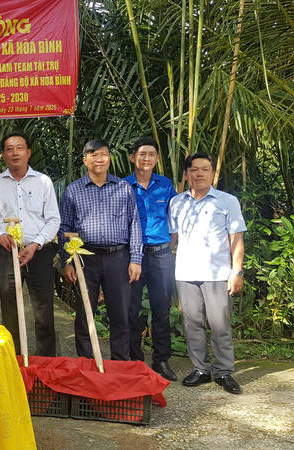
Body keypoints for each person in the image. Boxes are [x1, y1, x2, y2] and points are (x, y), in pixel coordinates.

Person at [58, 139, 142, 361]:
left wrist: (136, 259)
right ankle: (86, 363)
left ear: (110, 158)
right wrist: (67, 261)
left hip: (118, 257)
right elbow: (64, 227)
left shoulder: (123, 188)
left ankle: (120, 364)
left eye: (103, 154)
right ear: (85, 160)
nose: (99, 159)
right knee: (85, 313)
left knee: (120, 313)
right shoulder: (73, 190)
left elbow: (134, 224)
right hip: (85, 258)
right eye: (93, 155)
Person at [169, 153, 246, 394]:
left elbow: (236, 239)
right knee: (192, 324)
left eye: (205, 169)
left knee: (220, 324)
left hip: (217, 273)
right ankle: (201, 369)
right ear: (186, 174)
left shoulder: (227, 201)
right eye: (194, 169)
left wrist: (237, 271)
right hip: (186, 273)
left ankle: (223, 371)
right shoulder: (177, 202)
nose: (199, 174)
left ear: (213, 173)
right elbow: (173, 239)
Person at [0, 133, 60, 355]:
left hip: (39, 252)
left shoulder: (43, 182)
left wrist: (35, 244)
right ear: (3, 155)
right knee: (9, 308)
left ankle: (46, 361)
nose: (15, 153)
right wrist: (0, 235)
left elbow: (53, 219)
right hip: (8, 252)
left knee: (43, 309)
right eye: (9, 149)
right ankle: (13, 358)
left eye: (19, 148)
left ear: (28, 152)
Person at [124, 137, 178, 381]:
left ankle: (162, 360)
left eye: (151, 154)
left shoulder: (165, 185)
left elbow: (174, 220)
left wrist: (168, 248)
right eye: (142, 154)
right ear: (132, 157)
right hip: (132, 256)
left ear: (157, 158)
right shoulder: (123, 186)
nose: (146, 158)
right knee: (131, 308)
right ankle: (134, 359)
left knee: (161, 309)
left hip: (161, 255)